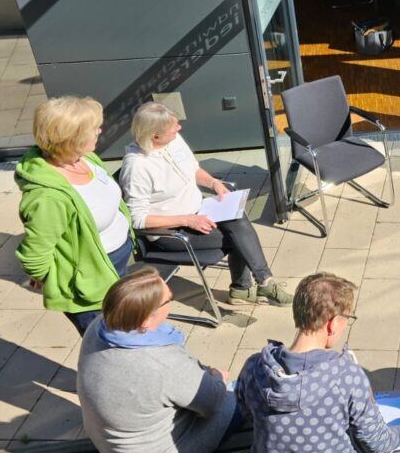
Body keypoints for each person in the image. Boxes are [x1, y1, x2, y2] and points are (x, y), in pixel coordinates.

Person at [237, 272, 400, 453]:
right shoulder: (346, 376)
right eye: (347, 318)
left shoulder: (254, 367)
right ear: (333, 324)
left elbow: (247, 412)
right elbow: (378, 442)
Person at [77, 266, 239, 453]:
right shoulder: (159, 362)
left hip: (113, 448)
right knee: (240, 391)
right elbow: (213, 403)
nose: (172, 299)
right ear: (144, 320)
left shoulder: (99, 326)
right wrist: (217, 378)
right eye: (169, 298)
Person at [119, 102, 292, 306]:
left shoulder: (172, 141)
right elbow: (138, 220)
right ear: (154, 136)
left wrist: (213, 183)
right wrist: (188, 220)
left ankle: (259, 282)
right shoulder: (137, 167)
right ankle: (245, 288)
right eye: (173, 128)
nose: (179, 129)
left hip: (199, 211)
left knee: (238, 219)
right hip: (171, 231)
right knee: (238, 238)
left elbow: (193, 170)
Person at [16, 96, 134, 336]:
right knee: (107, 344)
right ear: (72, 139)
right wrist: (61, 276)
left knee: (123, 329)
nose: (100, 131)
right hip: (90, 281)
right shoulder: (47, 197)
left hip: (114, 263)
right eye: (94, 129)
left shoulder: (86, 158)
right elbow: (34, 257)